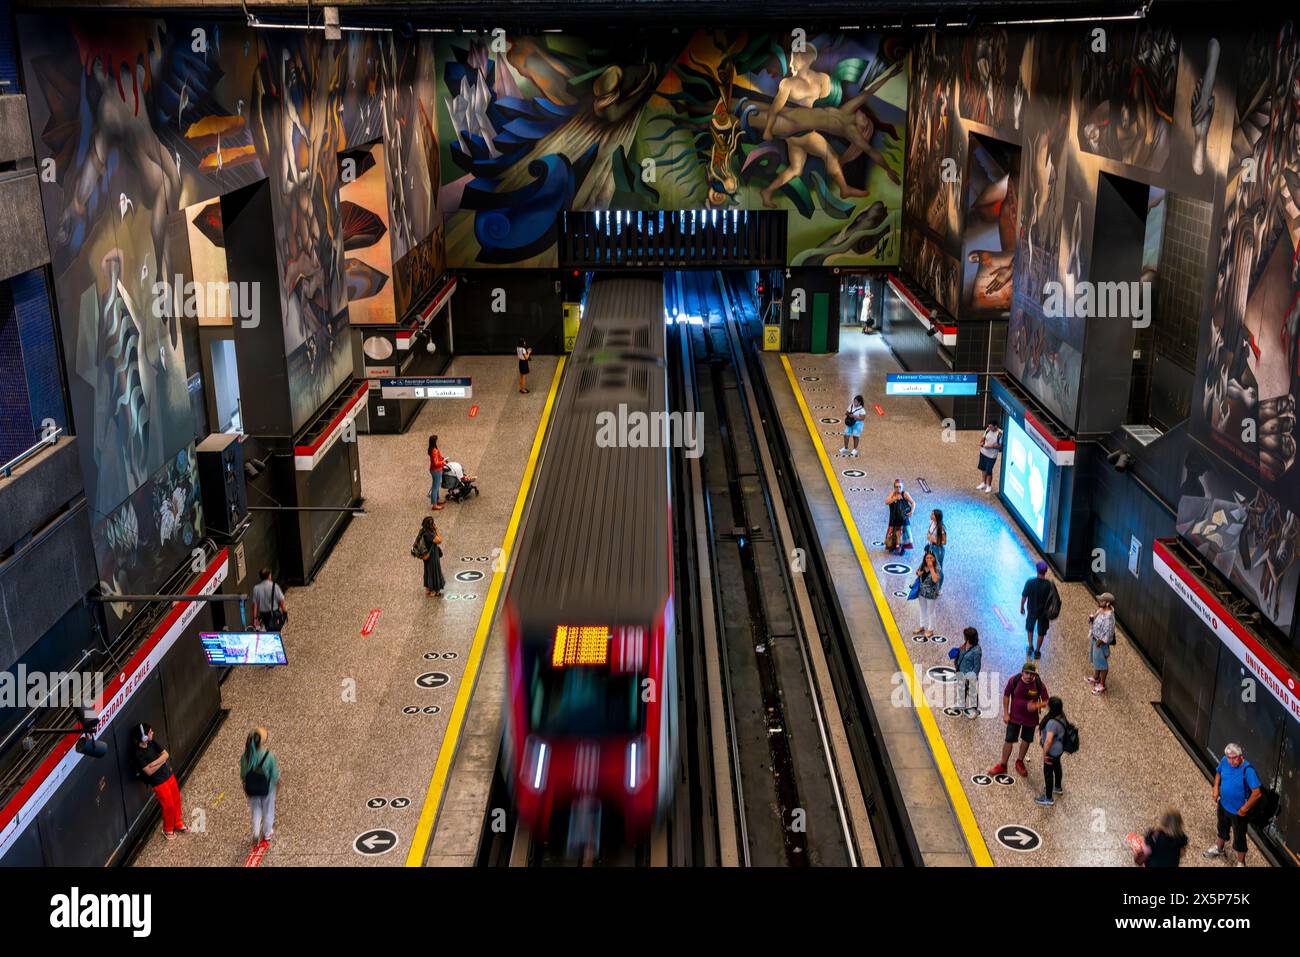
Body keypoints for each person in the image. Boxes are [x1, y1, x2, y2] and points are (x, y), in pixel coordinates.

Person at [1204, 743, 1262, 866]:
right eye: (1229, 757)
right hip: (1223, 804)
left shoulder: (1248, 770)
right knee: (1221, 827)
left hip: (1238, 812)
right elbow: (1219, 772)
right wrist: (1215, 787)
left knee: (1239, 838)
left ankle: (1241, 863)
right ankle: (1219, 849)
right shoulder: (1225, 760)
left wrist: (1244, 809)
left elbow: (1257, 793)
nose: (1231, 761)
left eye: (1234, 758)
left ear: (1241, 756)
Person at [989, 661, 1048, 778]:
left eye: (1031, 674)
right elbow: (1006, 695)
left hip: (1030, 720)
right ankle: (1003, 764)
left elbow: (1047, 701)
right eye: (1026, 673)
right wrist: (1006, 713)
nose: (1029, 676)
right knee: (1009, 740)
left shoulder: (1038, 684)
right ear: (1022, 672)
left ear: (1035, 675)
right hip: (1014, 717)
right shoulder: (1014, 680)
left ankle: (1019, 761)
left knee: (1026, 740)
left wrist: (1036, 706)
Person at [132, 722, 188, 840]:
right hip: (158, 783)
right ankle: (167, 830)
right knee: (168, 806)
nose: (153, 733)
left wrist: (155, 763)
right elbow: (148, 772)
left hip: (168, 775)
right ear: (144, 737)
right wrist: (161, 760)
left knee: (176, 799)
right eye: (150, 732)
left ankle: (178, 824)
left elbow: (166, 754)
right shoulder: (138, 754)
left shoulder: (152, 743)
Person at [240, 727, 281, 847]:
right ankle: (267, 833)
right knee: (268, 810)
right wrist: (276, 785)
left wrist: (245, 788)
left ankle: (256, 832)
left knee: (256, 810)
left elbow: (243, 775)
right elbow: (274, 774)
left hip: (252, 789)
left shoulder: (245, 757)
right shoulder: (268, 755)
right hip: (267, 788)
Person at [1019, 560, 1059, 659]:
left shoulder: (1030, 582)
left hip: (1032, 610)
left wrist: (1022, 607)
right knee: (1041, 632)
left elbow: (1024, 596)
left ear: (1037, 570)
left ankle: (1030, 646)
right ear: (1045, 571)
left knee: (1030, 628)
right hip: (1044, 613)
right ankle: (1037, 651)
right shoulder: (1049, 585)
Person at [1035, 696, 1068, 806]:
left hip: (1051, 751)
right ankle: (1057, 787)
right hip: (1059, 750)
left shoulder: (1052, 723)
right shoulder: (1062, 717)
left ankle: (1048, 798)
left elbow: (1048, 741)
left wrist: (1044, 755)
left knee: (1048, 773)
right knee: (1057, 766)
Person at [1087, 592, 1117, 694]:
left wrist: (1099, 642)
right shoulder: (1101, 610)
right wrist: (1091, 619)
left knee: (1102, 663)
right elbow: (1095, 622)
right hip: (1095, 638)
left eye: (1102, 601)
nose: (1099, 602)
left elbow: (1108, 633)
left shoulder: (1109, 617)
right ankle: (1096, 677)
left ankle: (1102, 685)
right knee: (1096, 660)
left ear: (1108, 603)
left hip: (1100, 643)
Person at [912, 550, 943, 638]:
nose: (929, 559)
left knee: (931, 612)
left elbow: (935, 579)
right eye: (927, 558)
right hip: (921, 592)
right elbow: (917, 572)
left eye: (931, 558)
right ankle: (922, 625)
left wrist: (931, 568)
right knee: (922, 609)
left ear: (934, 559)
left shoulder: (937, 568)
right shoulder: (923, 565)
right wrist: (919, 573)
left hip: (931, 594)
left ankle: (930, 629)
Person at [954, 627, 982, 718]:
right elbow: (961, 655)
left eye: (965, 636)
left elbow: (977, 666)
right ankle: (961, 704)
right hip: (961, 672)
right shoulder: (965, 644)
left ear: (969, 637)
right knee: (961, 689)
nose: (964, 637)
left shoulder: (977, 650)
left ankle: (974, 710)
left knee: (972, 692)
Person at [415, 516, 445, 597]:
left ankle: (428, 588)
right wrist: (436, 529)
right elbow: (439, 540)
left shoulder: (423, 531)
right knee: (433, 571)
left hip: (426, 554)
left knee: (428, 570)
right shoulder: (429, 534)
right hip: (432, 555)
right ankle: (434, 590)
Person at [884, 479, 915, 556]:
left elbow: (913, 502)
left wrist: (911, 512)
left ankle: (903, 548)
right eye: (896, 487)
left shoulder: (905, 494)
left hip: (903, 519)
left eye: (900, 487)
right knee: (893, 533)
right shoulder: (893, 494)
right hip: (894, 518)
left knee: (904, 534)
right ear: (894, 487)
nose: (898, 489)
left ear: (902, 487)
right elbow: (886, 502)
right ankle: (893, 546)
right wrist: (895, 498)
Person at [252, 568, 287, 632]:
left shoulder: (256, 588)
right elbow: (281, 601)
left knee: (267, 629)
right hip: (274, 613)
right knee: (275, 629)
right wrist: (284, 612)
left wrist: (255, 618)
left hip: (263, 615)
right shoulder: (274, 586)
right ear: (269, 576)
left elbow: (255, 604)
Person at [976, 420, 1003, 492]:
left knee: (989, 470)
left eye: (991, 427)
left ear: (996, 426)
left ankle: (989, 485)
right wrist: (981, 442)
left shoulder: (1000, 434)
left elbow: (1000, 446)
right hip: (983, 452)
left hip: (991, 456)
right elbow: (983, 437)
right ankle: (983, 483)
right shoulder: (988, 429)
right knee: (983, 468)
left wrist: (991, 447)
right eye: (989, 426)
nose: (989, 428)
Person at [428, 435, 447, 510]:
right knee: (435, 488)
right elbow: (436, 463)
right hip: (436, 470)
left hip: (435, 470)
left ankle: (437, 500)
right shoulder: (434, 451)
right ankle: (434, 505)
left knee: (436, 486)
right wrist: (442, 462)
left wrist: (442, 458)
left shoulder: (432, 449)